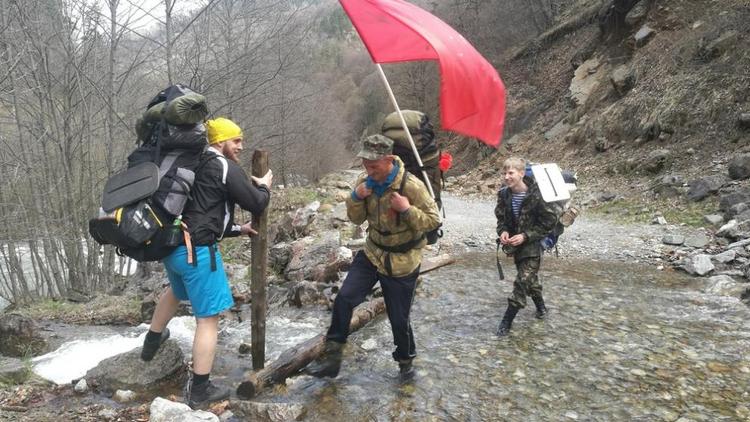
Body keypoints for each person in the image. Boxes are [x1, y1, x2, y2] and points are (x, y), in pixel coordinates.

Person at [139, 117, 272, 408]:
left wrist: (239, 229)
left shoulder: (193, 162)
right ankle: (200, 390)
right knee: (208, 320)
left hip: (173, 247)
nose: (240, 146)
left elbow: (207, 210)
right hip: (196, 251)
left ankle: (152, 342)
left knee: (176, 292)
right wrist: (264, 186)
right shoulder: (222, 165)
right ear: (220, 140)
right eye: (235, 140)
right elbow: (257, 203)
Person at [305, 134, 440, 381]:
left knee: (399, 319)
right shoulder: (364, 181)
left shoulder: (410, 185)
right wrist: (355, 197)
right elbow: (356, 219)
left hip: (402, 261)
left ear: (388, 160)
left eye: (373, 165)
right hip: (372, 252)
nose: (368, 169)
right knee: (344, 299)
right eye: (365, 163)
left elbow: (434, 220)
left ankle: (405, 363)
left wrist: (407, 210)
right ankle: (332, 360)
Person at [494, 157, 558, 337]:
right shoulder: (504, 194)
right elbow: (501, 219)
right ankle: (542, 309)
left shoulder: (538, 194)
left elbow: (548, 223)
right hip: (515, 247)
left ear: (521, 173)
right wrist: (503, 232)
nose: (507, 177)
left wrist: (525, 236)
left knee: (521, 282)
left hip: (532, 247)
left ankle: (506, 322)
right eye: (504, 173)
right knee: (530, 280)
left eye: (511, 173)